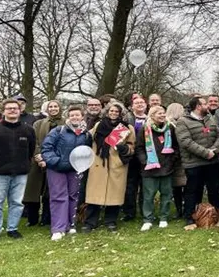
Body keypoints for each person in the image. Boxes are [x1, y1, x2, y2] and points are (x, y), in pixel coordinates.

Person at [0, 99, 36, 242]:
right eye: (9, 108)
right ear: (3, 111)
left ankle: (13, 228)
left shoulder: (28, 130)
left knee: (17, 203)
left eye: (15, 108)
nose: (12, 111)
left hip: (20, 172)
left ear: (20, 111)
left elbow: (31, 150)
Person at [82, 102, 135, 232]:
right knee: (94, 195)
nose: (113, 113)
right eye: (111, 111)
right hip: (98, 163)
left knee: (114, 195)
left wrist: (124, 148)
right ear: (107, 112)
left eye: (116, 112)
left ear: (120, 114)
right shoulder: (99, 125)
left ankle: (111, 221)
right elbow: (88, 139)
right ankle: (90, 222)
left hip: (116, 164)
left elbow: (132, 147)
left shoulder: (126, 127)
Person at [41, 105, 92, 240]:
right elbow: (46, 148)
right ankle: (58, 228)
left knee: (73, 196)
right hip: (57, 168)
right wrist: (56, 161)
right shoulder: (59, 131)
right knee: (58, 196)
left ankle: (70, 224)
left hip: (75, 169)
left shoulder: (86, 134)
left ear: (82, 117)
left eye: (77, 115)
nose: (75, 117)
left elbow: (87, 152)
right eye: (72, 115)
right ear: (68, 117)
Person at [175, 96, 219, 229]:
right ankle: (190, 218)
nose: (208, 106)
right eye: (204, 104)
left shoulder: (210, 119)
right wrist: (205, 153)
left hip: (212, 162)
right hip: (194, 163)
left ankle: (217, 216)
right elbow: (186, 142)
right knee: (193, 191)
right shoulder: (183, 122)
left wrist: (214, 149)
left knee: (214, 190)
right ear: (197, 106)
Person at [135, 105, 179, 231]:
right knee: (148, 196)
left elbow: (176, 146)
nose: (162, 115)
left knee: (166, 194)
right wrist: (145, 162)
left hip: (167, 167)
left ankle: (163, 218)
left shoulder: (170, 128)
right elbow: (139, 147)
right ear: (152, 115)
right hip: (149, 168)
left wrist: (172, 160)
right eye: (159, 113)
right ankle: (148, 219)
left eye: (163, 113)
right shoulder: (145, 128)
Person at [24, 100, 63, 227]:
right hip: (38, 161)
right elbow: (33, 141)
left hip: (57, 161)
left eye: (55, 106)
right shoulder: (38, 123)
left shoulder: (65, 124)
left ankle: (47, 218)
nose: (53, 109)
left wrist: (52, 158)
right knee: (33, 190)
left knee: (50, 191)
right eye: (50, 106)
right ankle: (32, 218)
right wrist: (39, 156)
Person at [123, 94, 148, 221]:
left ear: (146, 105)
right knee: (130, 185)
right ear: (132, 106)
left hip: (147, 155)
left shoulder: (150, 119)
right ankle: (129, 212)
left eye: (142, 103)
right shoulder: (126, 119)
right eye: (137, 103)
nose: (139, 104)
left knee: (145, 185)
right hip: (131, 157)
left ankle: (145, 211)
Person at [166, 103, 187, 217]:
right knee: (185, 185)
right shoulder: (178, 124)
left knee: (176, 187)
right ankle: (185, 208)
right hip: (181, 157)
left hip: (172, 158)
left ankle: (179, 209)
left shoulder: (166, 124)